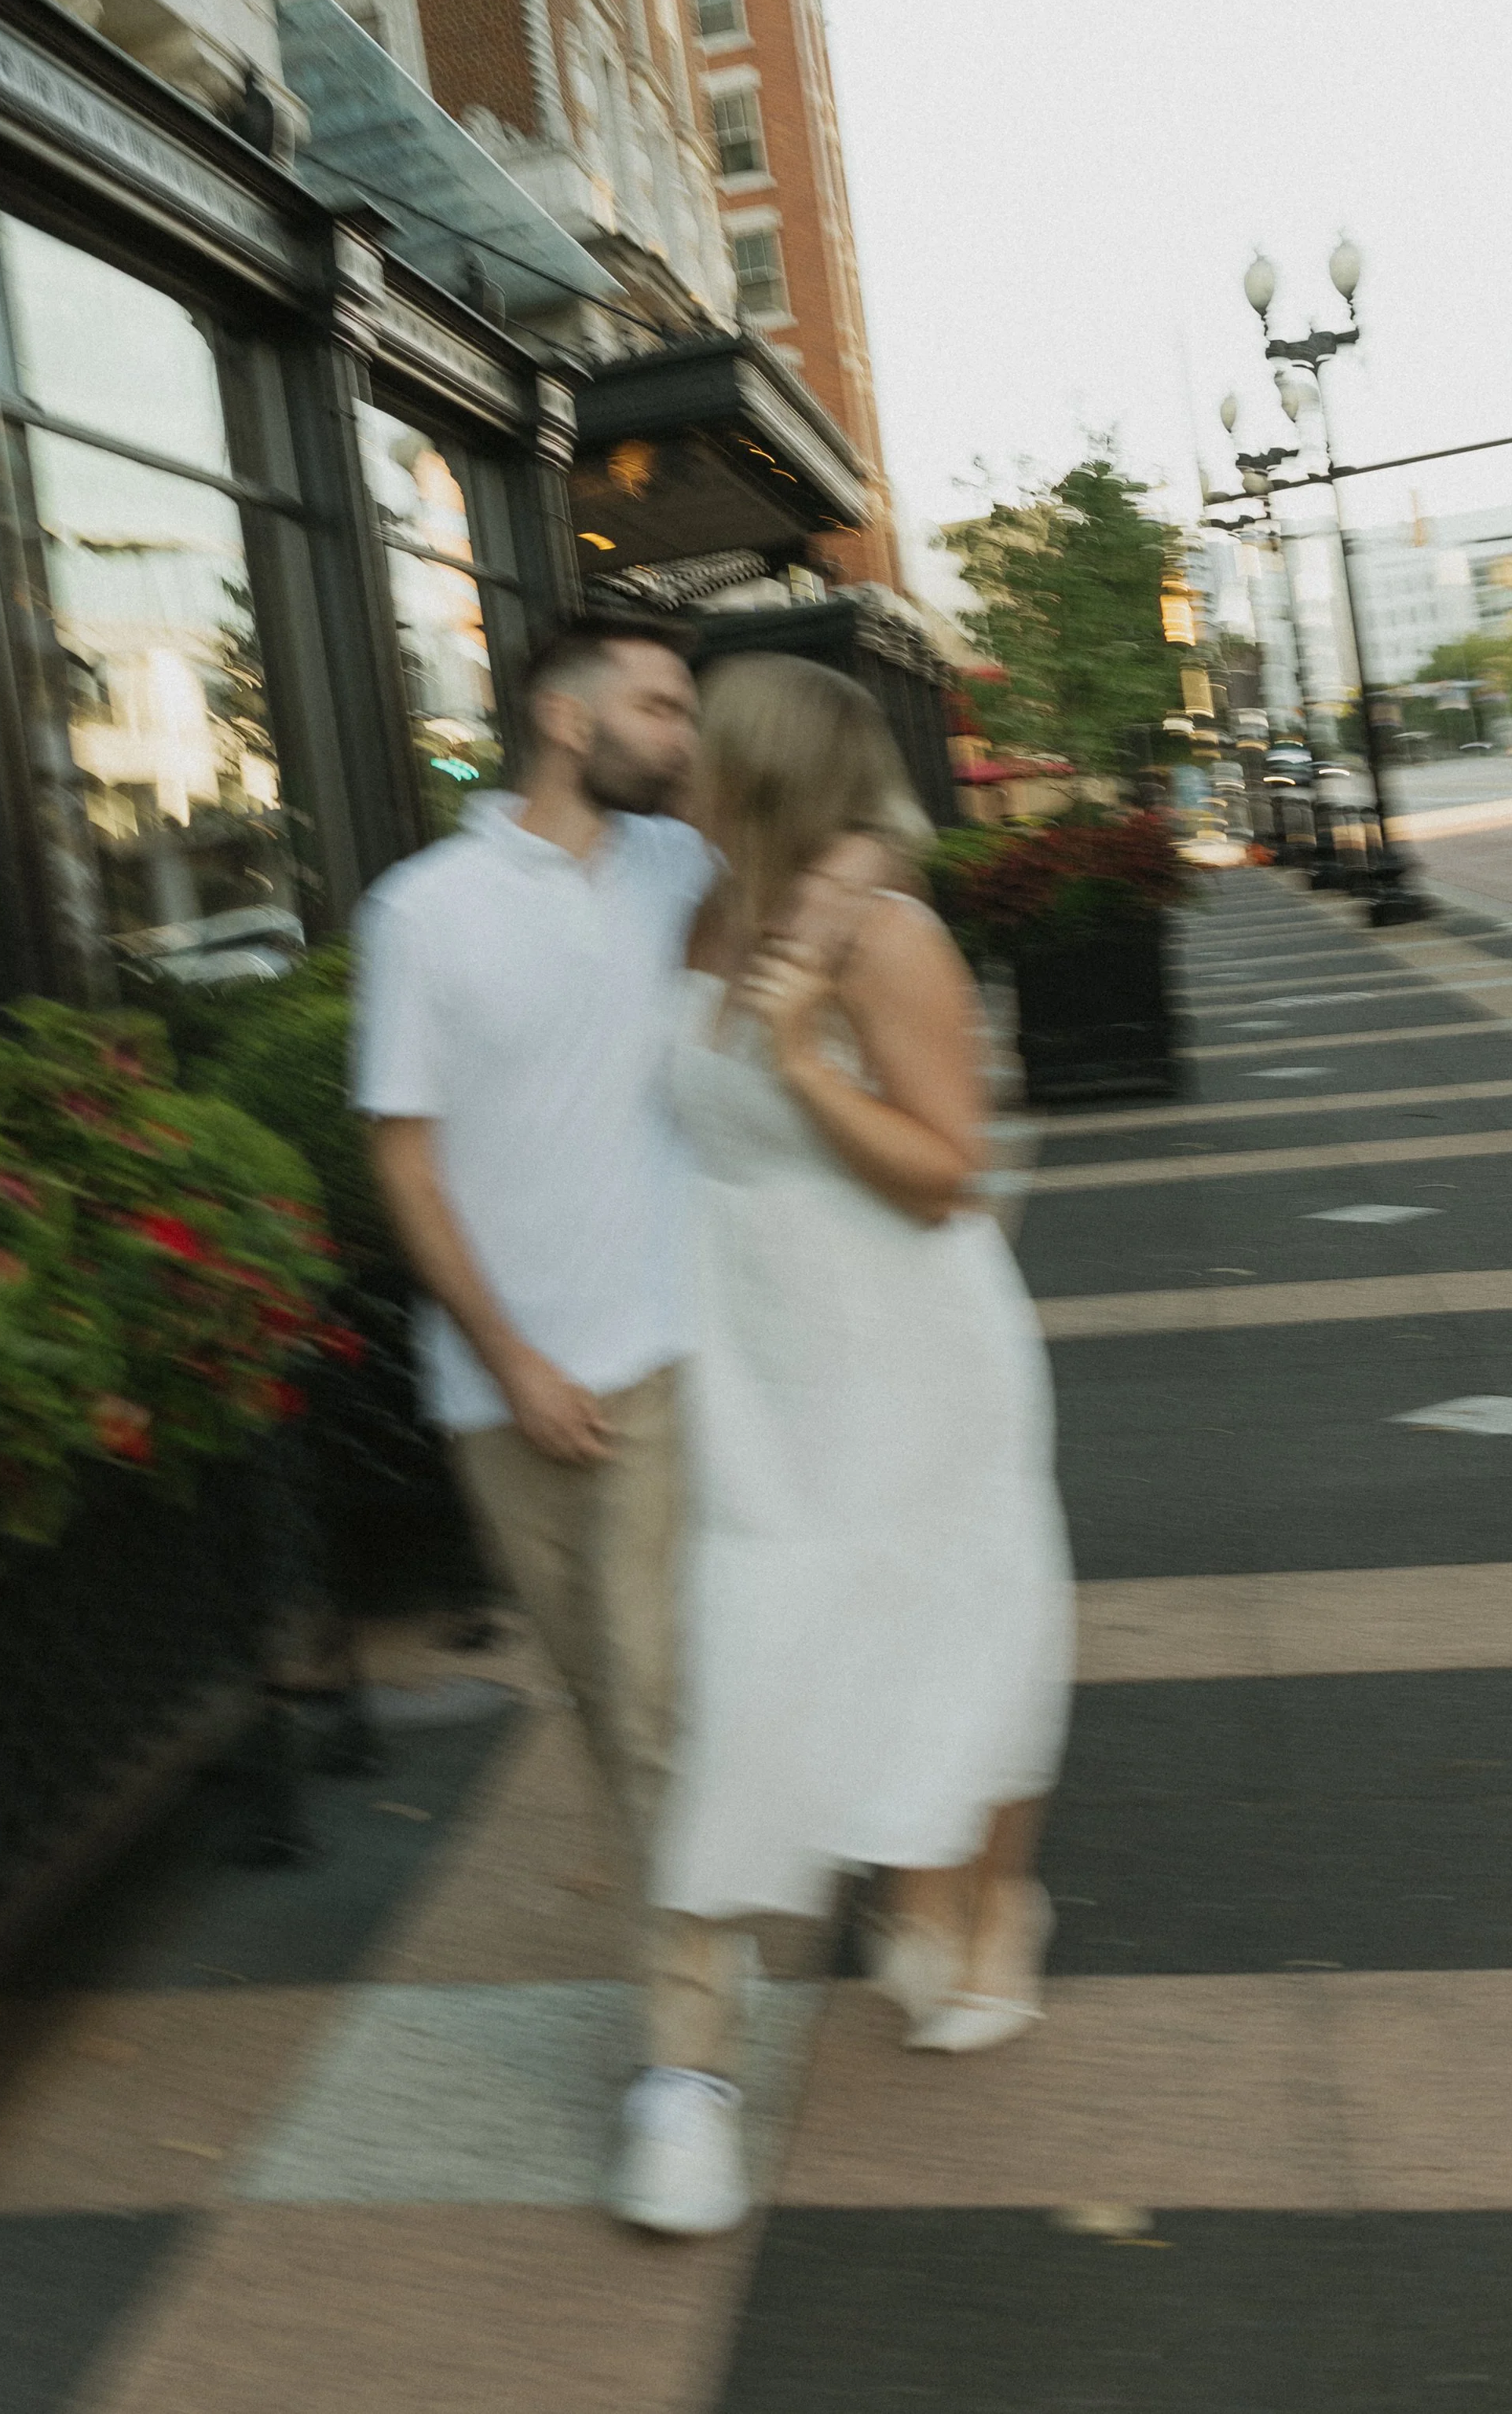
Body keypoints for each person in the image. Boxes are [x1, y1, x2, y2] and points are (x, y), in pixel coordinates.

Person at [351, 613, 755, 2236]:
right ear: (556, 706)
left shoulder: (678, 871)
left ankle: (683, 2078)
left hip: (667, 1354)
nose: (674, 724)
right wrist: (510, 1358)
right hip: (503, 1391)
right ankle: (721, 1905)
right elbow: (403, 1159)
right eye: (653, 698)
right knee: (607, 1707)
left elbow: (829, 851)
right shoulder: (420, 912)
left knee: (652, 1705)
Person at [657, 653, 1074, 2048]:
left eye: (702, 743)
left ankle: (990, 1904)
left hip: (906, 1333)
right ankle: (908, 1888)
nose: (679, 764)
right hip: (764, 1346)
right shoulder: (705, 909)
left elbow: (949, 1168)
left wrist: (806, 1064)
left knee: (964, 1610)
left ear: (757, 768)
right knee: (810, 1619)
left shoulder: (883, 934)